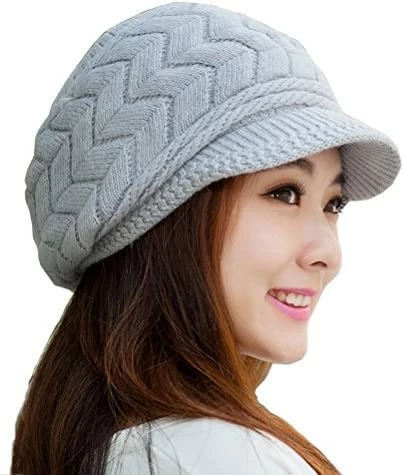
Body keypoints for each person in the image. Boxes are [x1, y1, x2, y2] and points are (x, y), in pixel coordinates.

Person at [13, 2, 401, 474]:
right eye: (284, 193)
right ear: (168, 216)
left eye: (333, 204)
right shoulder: (215, 455)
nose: (328, 254)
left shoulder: (106, 446)